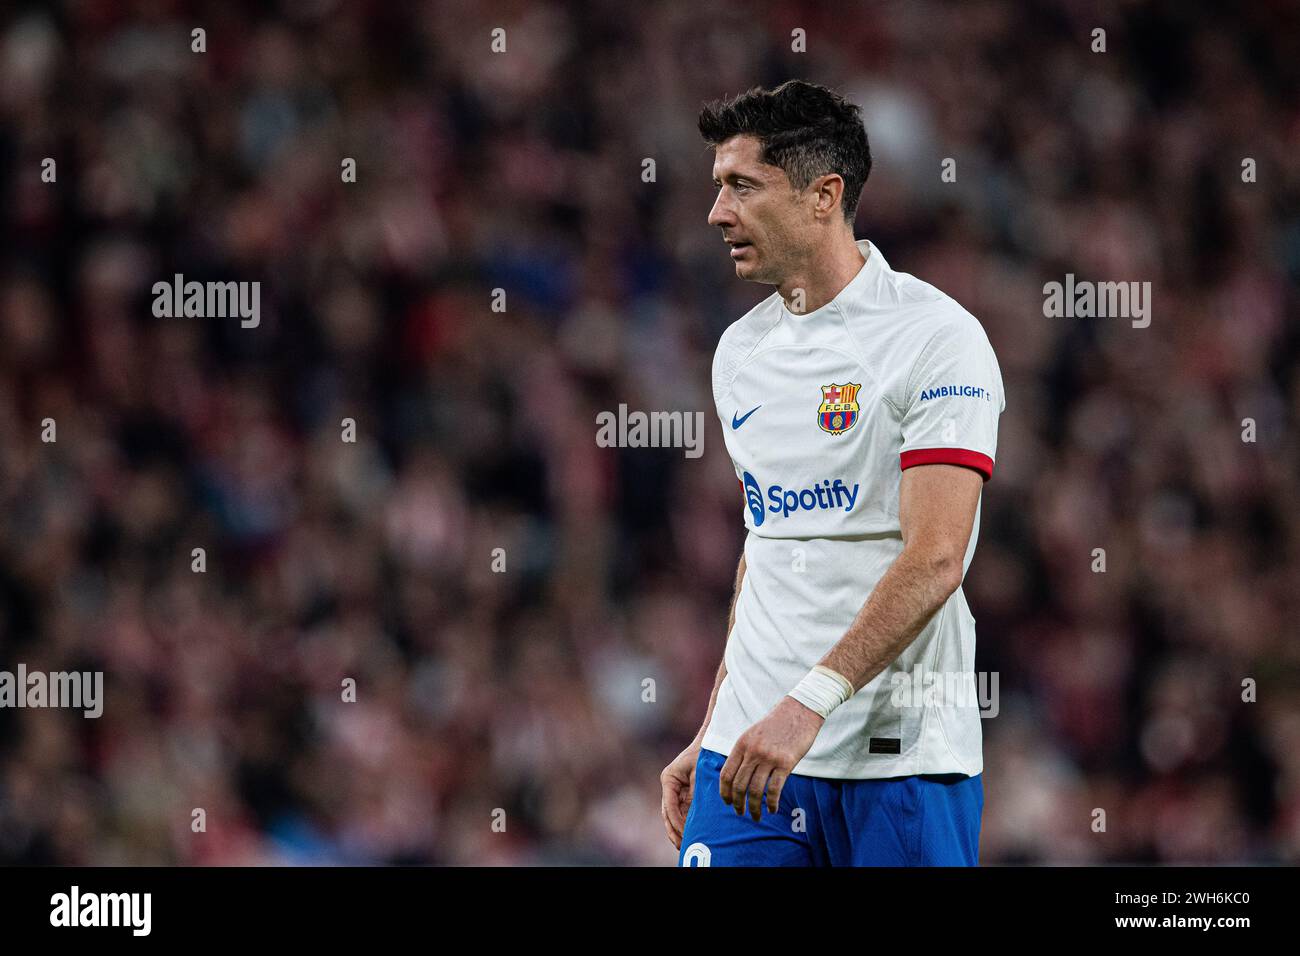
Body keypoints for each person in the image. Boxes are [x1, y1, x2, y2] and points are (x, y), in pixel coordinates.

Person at [660, 80, 1005, 866]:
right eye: (718, 188)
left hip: (899, 758)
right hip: (751, 757)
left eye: (741, 187)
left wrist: (805, 707)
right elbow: (767, 552)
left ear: (824, 195)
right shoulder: (739, 354)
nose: (717, 213)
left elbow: (936, 559)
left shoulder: (936, 340)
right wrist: (717, 724)